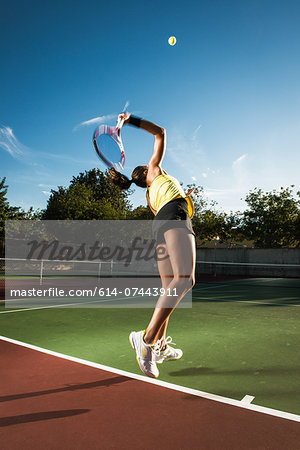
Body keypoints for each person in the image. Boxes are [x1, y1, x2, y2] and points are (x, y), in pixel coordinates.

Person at [109, 112, 196, 378]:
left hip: (161, 223)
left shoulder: (150, 196)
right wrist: (130, 119)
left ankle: (158, 345)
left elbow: (169, 204)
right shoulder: (155, 172)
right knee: (186, 280)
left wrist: (185, 196)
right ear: (147, 171)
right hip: (174, 217)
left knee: (170, 288)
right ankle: (146, 340)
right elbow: (161, 132)